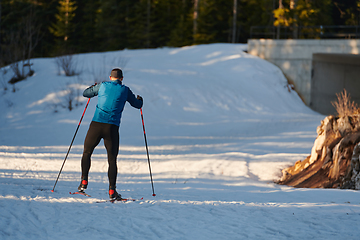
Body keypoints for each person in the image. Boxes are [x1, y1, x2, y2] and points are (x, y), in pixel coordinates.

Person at [78, 68, 143, 200]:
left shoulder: (102, 85)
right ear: (122, 78)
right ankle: (112, 191)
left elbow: (86, 94)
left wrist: (93, 87)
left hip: (96, 125)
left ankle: (84, 182)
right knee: (112, 159)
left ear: (110, 77)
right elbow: (137, 105)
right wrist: (140, 99)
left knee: (87, 152)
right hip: (112, 128)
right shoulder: (125, 90)